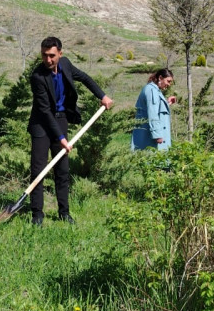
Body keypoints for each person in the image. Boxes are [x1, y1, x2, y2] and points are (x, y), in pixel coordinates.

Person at [28, 36, 114, 226]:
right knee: (38, 169)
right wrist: (61, 138)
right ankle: (37, 214)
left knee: (62, 169)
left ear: (60, 53)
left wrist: (102, 96)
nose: (48, 60)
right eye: (44, 55)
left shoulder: (65, 64)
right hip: (41, 124)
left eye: (52, 55)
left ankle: (64, 212)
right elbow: (44, 111)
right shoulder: (37, 77)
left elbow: (84, 78)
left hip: (61, 119)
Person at [131, 68, 176, 151]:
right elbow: (153, 113)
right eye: (168, 81)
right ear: (160, 78)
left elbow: (155, 108)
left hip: (147, 135)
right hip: (150, 138)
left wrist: (167, 103)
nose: (169, 84)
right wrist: (157, 135)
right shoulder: (152, 90)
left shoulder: (152, 89)